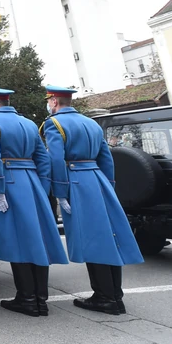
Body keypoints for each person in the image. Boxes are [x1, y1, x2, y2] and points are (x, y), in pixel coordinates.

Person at [42, 84, 143, 315]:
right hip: (98, 180)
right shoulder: (91, 123)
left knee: (93, 241)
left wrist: (60, 192)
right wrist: (108, 186)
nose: (49, 105)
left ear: (54, 102)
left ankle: (104, 297)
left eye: (49, 101)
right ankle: (114, 295)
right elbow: (106, 157)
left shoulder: (54, 124)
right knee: (107, 238)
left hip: (76, 183)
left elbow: (56, 161)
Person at [0, 87, 68, 317]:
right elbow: (44, 159)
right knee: (37, 240)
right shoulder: (29, 123)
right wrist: (42, 188)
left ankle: (27, 299)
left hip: (9, 183)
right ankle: (40, 299)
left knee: (17, 240)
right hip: (33, 182)